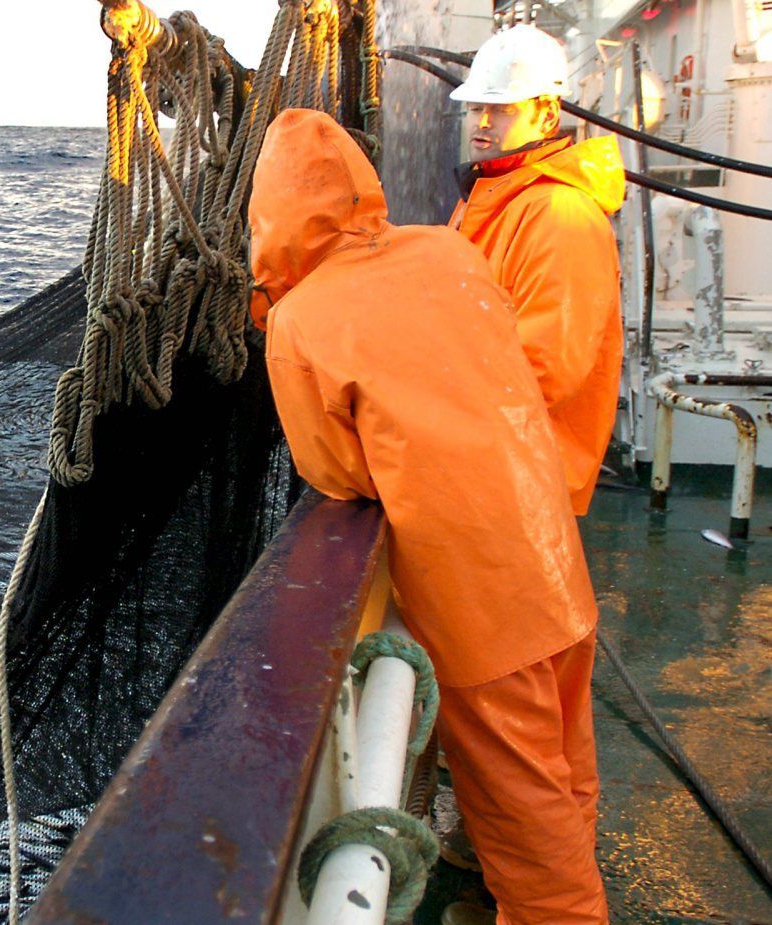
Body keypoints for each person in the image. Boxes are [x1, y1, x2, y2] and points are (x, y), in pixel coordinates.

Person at [247, 108, 609, 925]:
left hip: (481, 606)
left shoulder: (300, 322)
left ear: (268, 215)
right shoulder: (444, 247)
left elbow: (335, 472)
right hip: (553, 556)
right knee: (566, 762)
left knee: (528, 821)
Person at [448, 23, 627, 517]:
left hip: (524, 483)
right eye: (475, 107)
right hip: (490, 467)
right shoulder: (493, 197)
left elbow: (544, 371)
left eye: (502, 108)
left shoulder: (559, 213)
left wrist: (422, 406)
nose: (482, 121)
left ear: (546, 113)